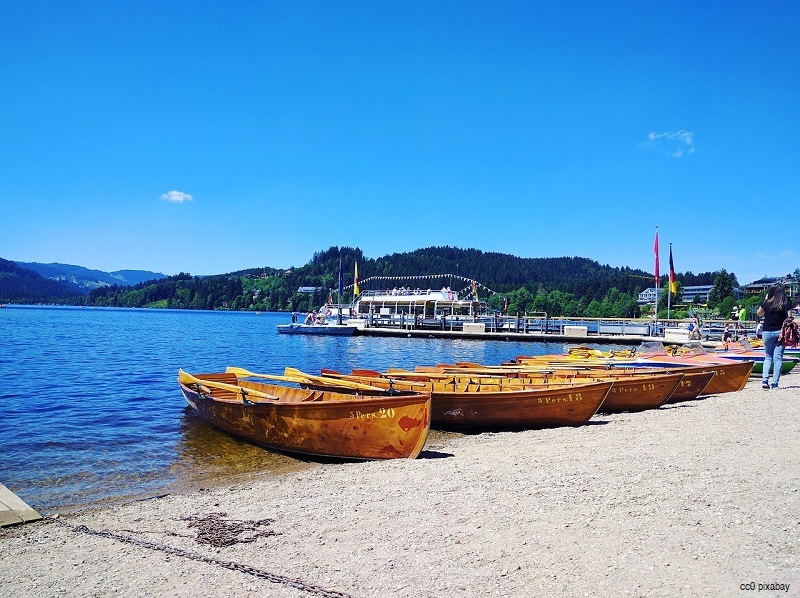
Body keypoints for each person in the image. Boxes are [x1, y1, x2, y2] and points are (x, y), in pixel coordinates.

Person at [756, 283, 791, 389]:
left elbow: (759, 313)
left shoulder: (767, 303)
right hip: (780, 332)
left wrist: (765, 300)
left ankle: (764, 381)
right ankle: (775, 384)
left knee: (768, 357)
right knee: (778, 358)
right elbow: (789, 319)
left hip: (767, 332)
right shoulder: (786, 303)